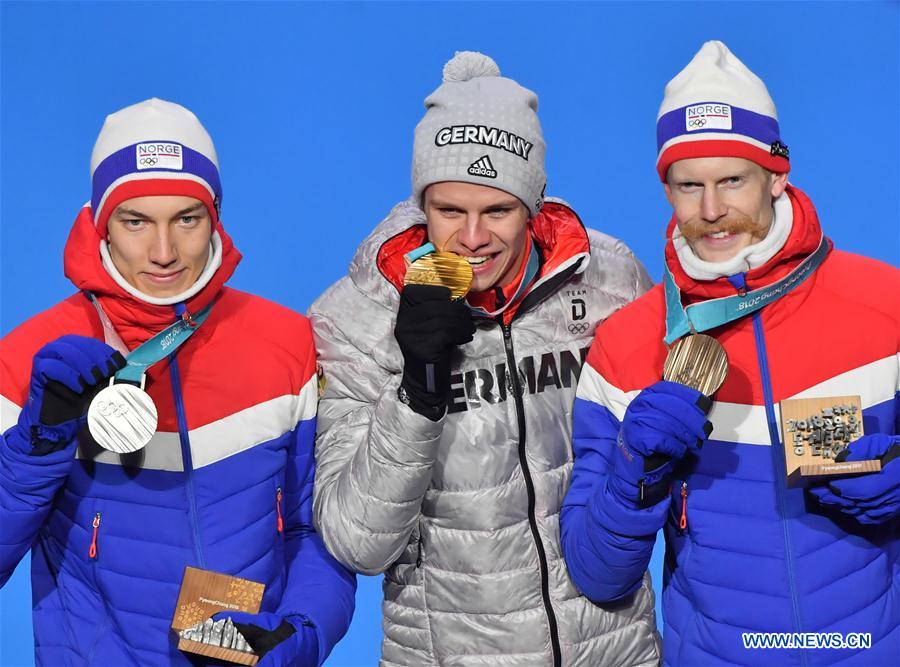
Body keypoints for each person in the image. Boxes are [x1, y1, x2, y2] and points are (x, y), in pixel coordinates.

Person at [310, 51, 659, 666]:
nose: (472, 238)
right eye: (450, 211)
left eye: (497, 210)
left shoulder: (611, 280)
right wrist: (418, 391)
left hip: (614, 650)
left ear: (533, 202)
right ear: (422, 205)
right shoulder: (356, 316)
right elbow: (357, 542)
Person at [561, 41, 899, 666]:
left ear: (778, 174)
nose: (712, 211)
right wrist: (635, 472)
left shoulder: (886, 305)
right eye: (689, 186)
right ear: (667, 190)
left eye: (732, 181)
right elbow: (596, 575)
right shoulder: (627, 345)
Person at [0, 99, 355, 666]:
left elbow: (315, 530)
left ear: (215, 217)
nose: (164, 253)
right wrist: (37, 444)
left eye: (186, 219)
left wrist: (299, 634)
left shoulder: (287, 342)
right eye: (136, 221)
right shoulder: (26, 358)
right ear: (100, 224)